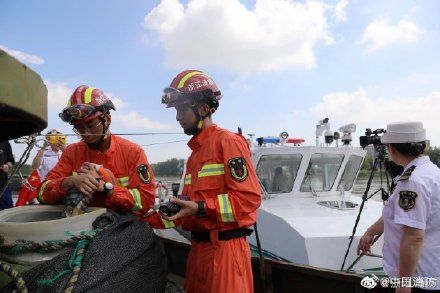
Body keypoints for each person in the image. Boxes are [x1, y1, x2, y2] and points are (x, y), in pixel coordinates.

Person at [147, 70, 262, 292]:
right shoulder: (194, 155)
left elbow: (249, 199)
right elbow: (188, 208)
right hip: (198, 250)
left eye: (181, 110)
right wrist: (149, 219)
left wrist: (200, 208)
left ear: (203, 109)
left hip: (226, 251)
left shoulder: (228, 142)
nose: (178, 117)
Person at [37, 85, 156, 217]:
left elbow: (146, 201)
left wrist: (107, 189)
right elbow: (42, 193)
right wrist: (69, 182)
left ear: (108, 119)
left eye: (91, 125)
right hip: (80, 225)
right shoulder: (72, 152)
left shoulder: (132, 152)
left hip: (122, 224)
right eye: (80, 128)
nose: (86, 133)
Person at [357, 122, 440, 292]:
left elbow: (413, 236)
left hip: (419, 279)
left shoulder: (413, 181)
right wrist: (370, 232)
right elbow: (395, 213)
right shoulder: (431, 171)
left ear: (392, 149)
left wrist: (404, 285)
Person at [16, 129, 66, 206]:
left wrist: (64, 150)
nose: (57, 141)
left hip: (63, 185)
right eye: (54, 138)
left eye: (59, 138)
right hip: (47, 185)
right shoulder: (43, 152)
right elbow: (34, 166)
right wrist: (43, 148)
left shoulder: (68, 150)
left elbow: (75, 164)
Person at [0, 141, 15, 210]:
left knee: (8, 211)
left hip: (3, 185)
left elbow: (11, 161)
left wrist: (7, 165)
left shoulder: (5, 142)